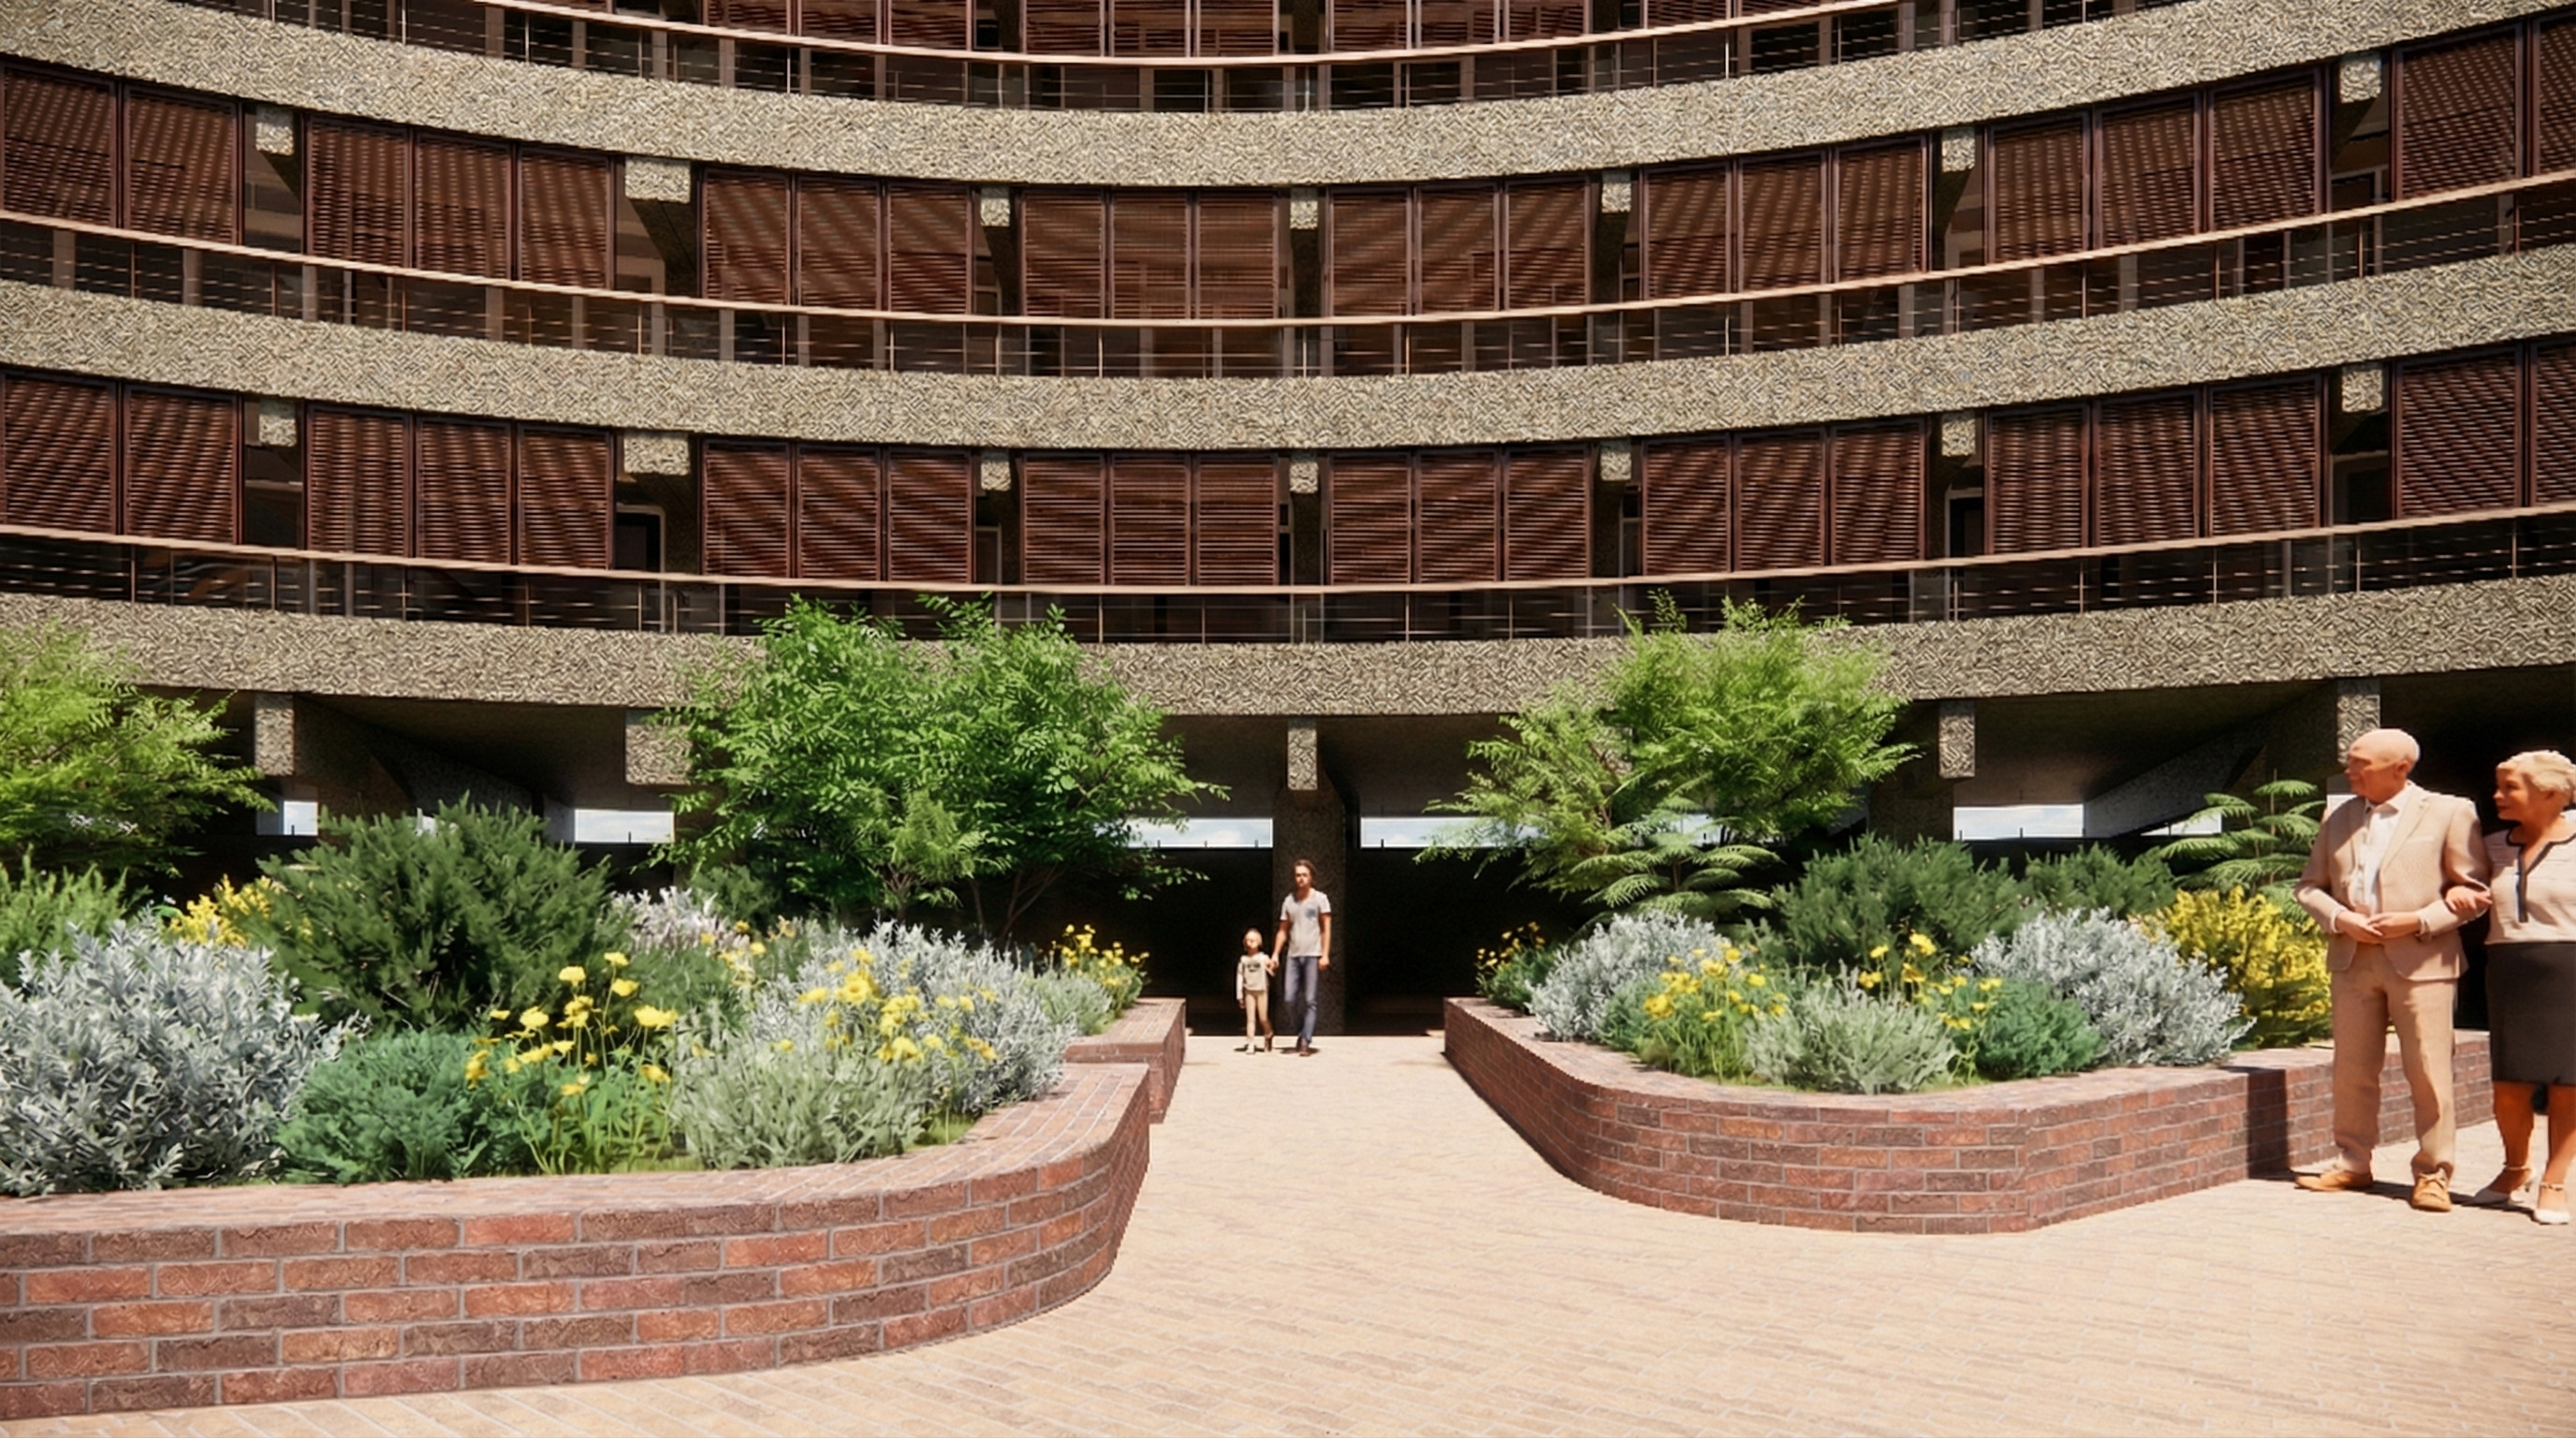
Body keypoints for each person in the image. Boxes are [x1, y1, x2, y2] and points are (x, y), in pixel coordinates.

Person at [2293, 727, 2489, 1212]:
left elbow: (2475, 893)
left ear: (2401, 768)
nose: (2349, 770)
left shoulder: (2450, 811)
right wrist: (2341, 919)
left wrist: (2418, 920)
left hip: (2423, 960)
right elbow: (2310, 887)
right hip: (2352, 959)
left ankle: (2434, 1174)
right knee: (2352, 1070)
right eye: (2350, 762)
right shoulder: (2337, 816)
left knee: (2428, 1070)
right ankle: (2353, 1163)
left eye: (2361, 763)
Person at [2447, 751, 2576, 1225]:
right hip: (2508, 968)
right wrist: (2458, 895)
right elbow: (2467, 889)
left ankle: (2555, 1181)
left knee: (2568, 1085)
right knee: (2508, 1087)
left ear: (2548, 793)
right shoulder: (2492, 845)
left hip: (2571, 970)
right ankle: (2514, 1169)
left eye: (2509, 787)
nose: (2497, 796)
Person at [1273, 858, 1332, 1057]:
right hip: (1293, 955)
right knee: (1289, 998)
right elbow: (1283, 930)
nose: (1301, 879)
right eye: (1298, 875)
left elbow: (1326, 928)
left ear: (1311, 877)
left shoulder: (1320, 899)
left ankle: (1306, 1040)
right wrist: (1275, 954)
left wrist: (1324, 954)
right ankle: (1301, 1030)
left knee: (1310, 999)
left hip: (1313, 954)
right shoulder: (1289, 901)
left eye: (1304, 875)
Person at [1236, 926, 1276, 1053]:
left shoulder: (1263, 958)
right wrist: (1239, 994)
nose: (1251, 943)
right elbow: (1240, 976)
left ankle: (1268, 1033)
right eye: (1248, 940)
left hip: (1261, 990)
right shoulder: (1243, 960)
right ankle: (1251, 1042)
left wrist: (1271, 967)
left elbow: (1272, 971)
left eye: (1253, 940)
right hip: (1249, 991)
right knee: (1250, 1019)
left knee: (1263, 1018)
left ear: (1259, 942)